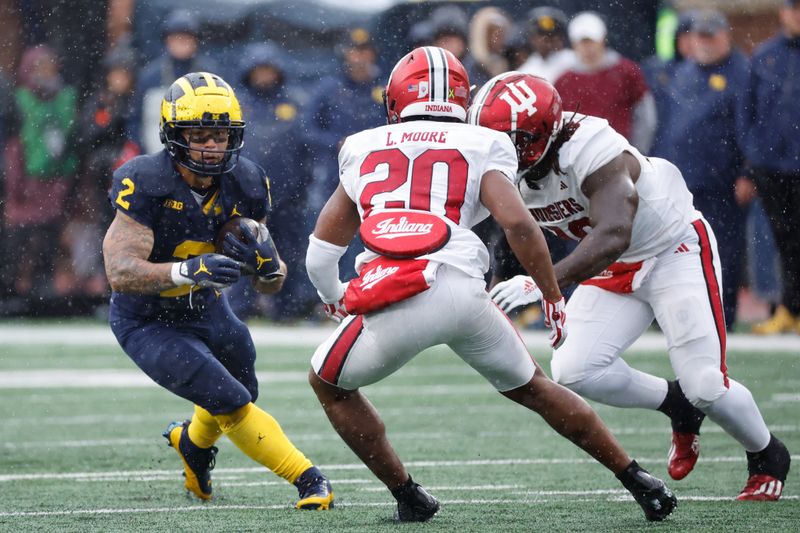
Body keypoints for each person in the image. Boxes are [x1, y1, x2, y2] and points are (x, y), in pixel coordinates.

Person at [305, 46, 676, 523]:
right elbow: (519, 225)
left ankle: (408, 495)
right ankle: (638, 479)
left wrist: (334, 297)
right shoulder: (484, 142)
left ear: (395, 100)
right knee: (535, 388)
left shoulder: (360, 145)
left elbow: (321, 250)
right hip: (464, 290)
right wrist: (550, 291)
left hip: (400, 290)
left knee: (328, 383)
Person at [472, 72, 791, 500]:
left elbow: (615, 231)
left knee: (706, 385)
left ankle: (767, 453)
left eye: (509, 140)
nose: (498, 150)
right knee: (575, 368)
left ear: (540, 132)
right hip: (614, 264)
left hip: (670, 248)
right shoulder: (505, 160)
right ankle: (676, 405)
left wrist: (543, 284)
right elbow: (487, 225)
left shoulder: (591, 146)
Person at [102, 72, 333, 509]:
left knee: (242, 387)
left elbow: (273, 277)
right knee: (228, 398)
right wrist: (188, 271)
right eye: (199, 134)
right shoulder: (144, 181)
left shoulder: (246, 182)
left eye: (220, 134)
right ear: (173, 134)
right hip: (147, 319)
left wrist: (267, 266)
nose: (211, 145)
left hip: (207, 310)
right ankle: (308, 479)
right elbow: (121, 272)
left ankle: (192, 443)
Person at [654, 10, 750, 330]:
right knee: (677, 250)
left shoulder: (741, 73)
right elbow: (667, 128)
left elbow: (749, 129)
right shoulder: (682, 73)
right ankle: (683, 315)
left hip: (721, 182)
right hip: (681, 180)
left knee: (723, 249)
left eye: (711, 36)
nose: (705, 43)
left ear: (726, 36)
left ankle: (723, 312)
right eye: (700, 37)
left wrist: (748, 173)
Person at [745, 0, 800, 335]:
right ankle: (789, 309)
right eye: (794, 8)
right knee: (784, 240)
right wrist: (756, 157)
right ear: (783, 13)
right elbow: (747, 111)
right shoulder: (765, 55)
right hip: (775, 167)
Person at [554, 12, 656, 154]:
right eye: (582, 42)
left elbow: (645, 115)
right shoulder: (563, 81)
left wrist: (636, 152)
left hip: (620, 154)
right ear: (574, 44)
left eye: (591, 41)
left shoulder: (626, 71)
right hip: (578, 158)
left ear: (603, 40)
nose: (587, 47)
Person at [131, 10, 218, 154]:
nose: (181, 42)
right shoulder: (149, 76)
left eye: (186, 37)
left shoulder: (209, 75)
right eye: (176, 37)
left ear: (196, 41)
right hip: (155, 155)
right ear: (167, 40)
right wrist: (142, 151)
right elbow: (135, 119)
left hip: (199, 157)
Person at [517, 6, 576, 83]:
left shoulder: (574, 61)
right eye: (541, 36)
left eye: (552, 36)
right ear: (532, 39)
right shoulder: (526, 71)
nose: (547, 41)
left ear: (560, 39)